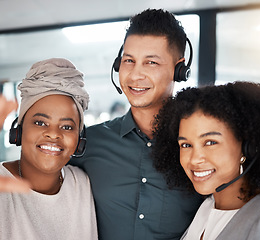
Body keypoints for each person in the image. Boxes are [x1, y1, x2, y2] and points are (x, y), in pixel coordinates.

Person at [69, 8, 204, 240]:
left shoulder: (198, 146)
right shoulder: (88, 142)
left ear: (179, 70)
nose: (135, 75)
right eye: (128, 60)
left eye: (151, 62)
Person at [152, 82, 260, 240]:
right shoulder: (207, 208)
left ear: (248, 147)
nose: (194, 159)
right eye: (186, 145)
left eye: (210, 142)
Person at [0, 58, 98, 240]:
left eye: (66, 126)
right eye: (40, 122)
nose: (53, 134)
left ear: (79, 139)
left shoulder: (80, 183)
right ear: (19, 129)